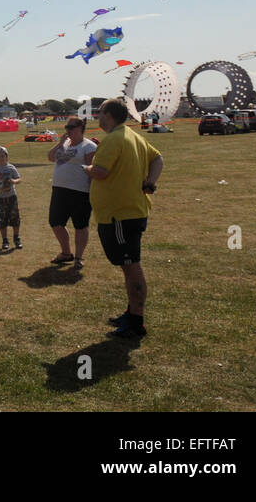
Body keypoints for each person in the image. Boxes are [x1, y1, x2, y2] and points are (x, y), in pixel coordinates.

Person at [84, 99, 163, 339]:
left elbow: (100, 172)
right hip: (128, 212)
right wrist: (150, 182)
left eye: (100, 113)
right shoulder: (132, 135)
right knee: (128, 266)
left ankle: (137, 321)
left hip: (120, 215)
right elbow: (158, 159)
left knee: (131, 266)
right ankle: (131, 313)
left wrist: (87, 166)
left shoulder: (114, 139)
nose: (98, 117)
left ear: (109, 115)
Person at [46, 117, 96, 269]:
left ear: (81, 127)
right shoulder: (65, 144)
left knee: (80, 225)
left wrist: (93, 193)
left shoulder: (89, 146)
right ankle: (66, 253)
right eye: (67, 127)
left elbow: (93, 170)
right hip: (59, 190)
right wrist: (60, 143)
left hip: (80, 192)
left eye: (71, 127)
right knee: (55, 222)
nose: (68, 130)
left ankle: (79, 257)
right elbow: (50, 157)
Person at [0, 146, 22, 251]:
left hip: (11, 197)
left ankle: (17, 238)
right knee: (1, 220)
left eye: (3, 156)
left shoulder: (11, 167)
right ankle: (5, 240)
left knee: (15, 219)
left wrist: (13, 181)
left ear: (7, 157)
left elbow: (19, 179)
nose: (1, 158)